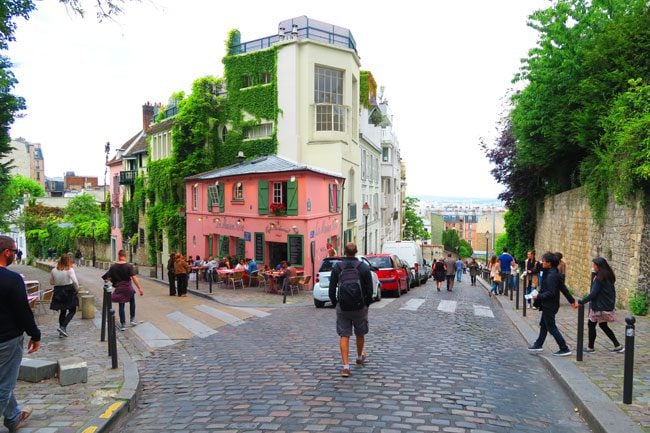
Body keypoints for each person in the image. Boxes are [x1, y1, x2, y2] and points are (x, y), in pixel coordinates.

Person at [0, 235, 40, 432]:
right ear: (7, 252)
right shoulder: (12, 279)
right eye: (15, 252)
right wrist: (35, 334)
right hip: (7, 339)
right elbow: (22, 311)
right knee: (5, 384)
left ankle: (13, 415)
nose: (15, 255)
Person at [328, 242, 373, 378]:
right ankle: (359, 357)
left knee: (344, 335)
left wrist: (336, 303)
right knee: (360, 333)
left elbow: (331, 289)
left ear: (344, 251)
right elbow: (370, 289)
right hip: (360, 306)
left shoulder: (338, 267)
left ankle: (346, 366)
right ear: (356, 251)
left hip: (343, 307)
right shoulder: (363, 267)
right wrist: (366, 304)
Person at [528, 252, 577, 357]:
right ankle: (538, 344)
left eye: (544, 261)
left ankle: (564, 348)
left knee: (551, 327)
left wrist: (538, 296)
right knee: (544, 325)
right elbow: (564, 289)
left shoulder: (551, 276)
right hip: (552, 304)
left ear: (549, 263)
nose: (542, 262)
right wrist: (572, 301)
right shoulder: (555, 273)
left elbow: (551, 293)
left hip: (549, 305)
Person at [579, 257, 624, 353]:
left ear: (598, 266)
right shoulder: (608, 275)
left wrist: (582, 301)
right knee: (603, 325)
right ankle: (618, 346)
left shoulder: (599, 278)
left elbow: (594, 293)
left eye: (594, 265)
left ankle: (590, 348)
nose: (593, 267)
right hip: (606, 305)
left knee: (591, 324)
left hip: (599, 307)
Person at [102, 249, 144, 331]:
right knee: (132, 301)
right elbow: (134, 278)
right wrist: (139, 288)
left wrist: (113, 280)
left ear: (118, 256)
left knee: (121, 305)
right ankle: (132, 319)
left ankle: (123, 324)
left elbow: (107, 279)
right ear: (125, 256)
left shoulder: (113, 267)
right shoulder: (129, 266)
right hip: (128, 287)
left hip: (119, 288)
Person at [49, 254, 80, 337]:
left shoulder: (54, 270)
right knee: (72, 310)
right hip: (68, 291)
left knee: (63, 311)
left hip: (58, 291)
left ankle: (61, 331)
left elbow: (51, 282)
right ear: (68, 261)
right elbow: (75, 282)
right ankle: (63, 327)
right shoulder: (70, 270)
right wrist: (77, 289)